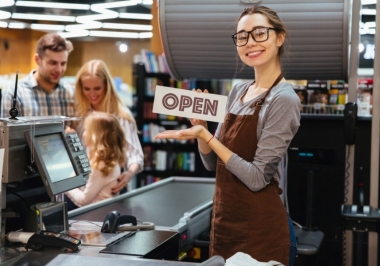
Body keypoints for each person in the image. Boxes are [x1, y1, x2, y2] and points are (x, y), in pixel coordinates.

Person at [155, 6, 300, 265]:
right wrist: (202, 130)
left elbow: (257, 178)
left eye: (259, 33)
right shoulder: (237, 91)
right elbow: (212, 163)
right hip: (225, 224)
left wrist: (207, 137)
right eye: (242, 36)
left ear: (279, 37)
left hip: (261, 231)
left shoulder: (284, 99)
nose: (250, 42)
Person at [0, 33, 128, 195]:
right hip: (26, 180)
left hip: (64, 175)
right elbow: (5, 142)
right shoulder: (15, 93)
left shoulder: (71, 93)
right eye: (53, 63)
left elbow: (80, 135)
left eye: (63, 63)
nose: (59, 69)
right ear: (38, 59)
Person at [72, 59, 143, 189]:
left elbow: (135, 154)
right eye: (87, 89)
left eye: (97, 88)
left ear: (107, 85)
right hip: (84, 186)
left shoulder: (120, 115)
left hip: (111, 186)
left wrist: (129, 173)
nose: (92, 94)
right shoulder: (81, 113)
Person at [65, 111, 126, 207]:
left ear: (96, 136)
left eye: (87, 130)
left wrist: (66, 185)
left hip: (94, 218)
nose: (84, 134)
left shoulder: (101, 165)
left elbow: (83, 200)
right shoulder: (107, 159)